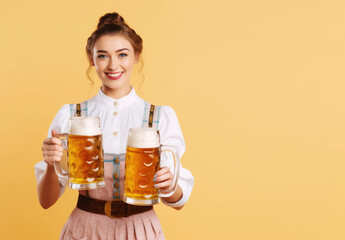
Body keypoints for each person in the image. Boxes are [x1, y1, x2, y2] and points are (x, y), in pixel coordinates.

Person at [35, 12, 194, 240]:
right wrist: (51, 164)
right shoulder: (71, 116)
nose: (113, 65)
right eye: (102, 56)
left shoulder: (160, 117)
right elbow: (46, 201)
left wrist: (170, 185)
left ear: (136, 56)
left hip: (140, 230)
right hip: (85, 230)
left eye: (122, 54)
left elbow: (178, 202)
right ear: (92, 59)